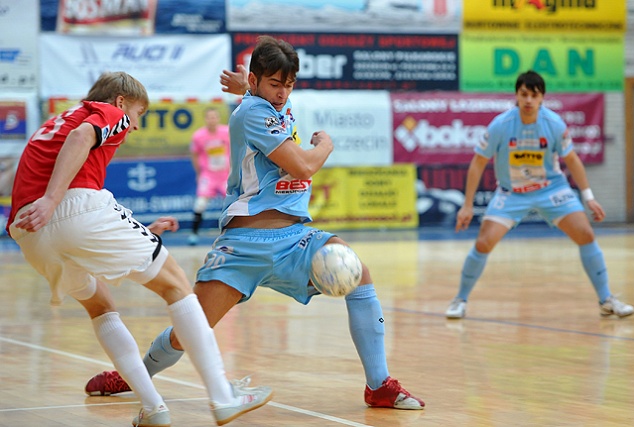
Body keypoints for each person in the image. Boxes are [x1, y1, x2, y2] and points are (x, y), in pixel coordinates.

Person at [85, 36, 425, 411]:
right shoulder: (252, 113)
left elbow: (267, 96)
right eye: (275, 85)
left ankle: (378, 385)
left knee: (361, 275)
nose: (282, 94)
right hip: (245, 244)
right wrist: (325, 144)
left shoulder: (272, 102)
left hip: (296, 238)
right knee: (189, 332)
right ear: (257, 83)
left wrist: (245, 85)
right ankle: (132, 375)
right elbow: (305, 165)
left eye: (289, 85)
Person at [7, 71, 272, 427]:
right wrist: (53, 200)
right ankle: (223, 398)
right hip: (62, 208)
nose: (134, 127)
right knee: (177, 285)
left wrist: (136, 231)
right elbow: (82, 138)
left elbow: (72, 223)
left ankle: (153, 409)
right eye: (138, 114)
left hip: (31, 233)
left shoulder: (57, 119)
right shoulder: (108, 112)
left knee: (100, 306)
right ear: (121, 102)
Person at [445, 70, 634, 319]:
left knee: (586, 234)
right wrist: (467, 205)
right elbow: (478, 163)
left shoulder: (554, 124)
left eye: (534, 95)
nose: (528, 101)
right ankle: (460, 299)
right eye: (524, 94)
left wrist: (588, 196)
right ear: (516, 95)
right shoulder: (501, 125)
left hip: (551, 189)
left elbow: (572, 160)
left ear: (542, 98)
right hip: (512, 193)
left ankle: (606, 300)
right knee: (483, 242)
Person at [188, 108, 230, 246]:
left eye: (214, 117)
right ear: (205, 119)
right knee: (200, 204)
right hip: (209, 175)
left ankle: (231, 234)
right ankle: (193, 234)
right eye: (209, 117)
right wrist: (199, 173)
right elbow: (194, 154)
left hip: (225, 174)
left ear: (218, 118)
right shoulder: (198, 136)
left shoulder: (227, 132)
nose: (212, 120)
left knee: (231, 203)